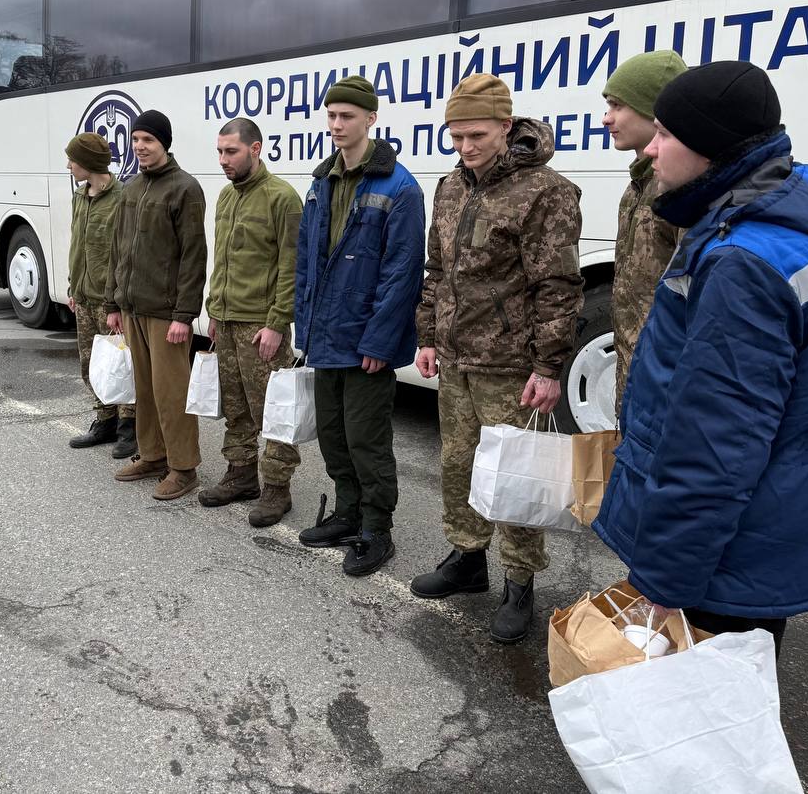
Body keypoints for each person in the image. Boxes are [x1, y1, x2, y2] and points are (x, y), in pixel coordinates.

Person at [594, 61, 808, 657]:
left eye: (665, 134)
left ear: (710, 147)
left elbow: (716, 443)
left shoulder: (741, 259)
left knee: (702, 724)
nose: (652, 150)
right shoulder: (777, 224)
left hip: (728, 553)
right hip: (758, 530)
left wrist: (666, 577)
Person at [410, 74, 584, 642]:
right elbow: (437, 272)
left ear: (507, 127)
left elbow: (557, 285)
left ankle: (519, 580)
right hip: (457, 357)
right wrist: (428, 335)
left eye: (476, 135)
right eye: (456, 136)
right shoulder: (450, 187)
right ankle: (467, 558)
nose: (465, 147)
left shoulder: (545, 191)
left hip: (510, 364)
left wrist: (549, 366)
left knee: (512, 474)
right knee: (458, 464)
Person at [294, 76, 425, 576]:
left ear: (371, 119)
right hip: (325, 337)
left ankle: (376, 530)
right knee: (333, 434)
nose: (336, 125)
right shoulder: (321, 180)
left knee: (366, 439)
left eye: (347, 116)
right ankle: (347, 514)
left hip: (364, 341)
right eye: (331, 116)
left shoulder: (399, 186)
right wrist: (302, 330)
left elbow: (402, 273)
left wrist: (380, 340)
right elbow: (307, 259)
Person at [200, 117, 303, 527]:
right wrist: (213, 311)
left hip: (260, 326)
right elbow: (221, 259)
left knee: (273, 411)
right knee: (235, 407)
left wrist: (277, 322)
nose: (224, 160)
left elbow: (291, 266)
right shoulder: (226, 196)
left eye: (232, 152)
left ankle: (277, 489)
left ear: (256, 149)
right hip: (225, 321)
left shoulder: (282, 198)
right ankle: (241, 475)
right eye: (220, 152)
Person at [104, 110, 208, 500]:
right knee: (144, 390)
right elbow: (118, 251)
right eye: (135, 140)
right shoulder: (131, 189)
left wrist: (184, 315)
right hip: (132, 309)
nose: (140, 147)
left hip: (166, 315)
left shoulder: (185, 189)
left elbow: (194, 256)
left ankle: (183, 468)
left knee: (172, 393)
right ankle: (152, 455)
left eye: (148, 140)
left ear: (164, 142)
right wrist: (113, 303)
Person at [601, 50, 687, 415]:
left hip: (666, 380)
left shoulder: (677, 189)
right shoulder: (640, 184)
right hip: (637, 371)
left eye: (618, 106)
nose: (607, 118)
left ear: (655, 111)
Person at [65, 132, 137, 459]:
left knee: (120, 366)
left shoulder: (122, 197)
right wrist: (73, 288)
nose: (69, 166)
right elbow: (77, 246)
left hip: (111, 301)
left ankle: (128, 428)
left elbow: (125, 254)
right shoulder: (80, 197)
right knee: (91, 364)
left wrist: (118, 302)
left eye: (73, 160)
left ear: (90, 164)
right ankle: (105, 420)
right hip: (84, 297)